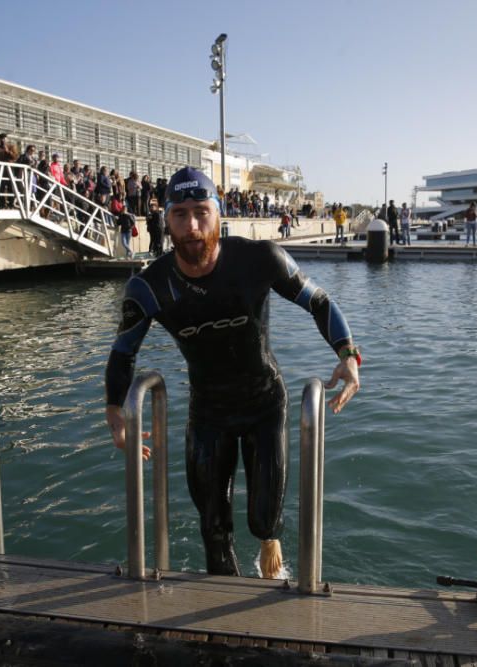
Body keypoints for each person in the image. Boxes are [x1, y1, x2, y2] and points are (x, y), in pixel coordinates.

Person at [104, 167, 360, 579]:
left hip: (264, 404)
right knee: (213, 528)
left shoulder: (258, 260)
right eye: (180, 214)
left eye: (201, 212)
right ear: (166, 220)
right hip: (208, 412)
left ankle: (268, 542)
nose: (192, 226)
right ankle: (225, 620)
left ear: (218, 214)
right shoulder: (149, 287)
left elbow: (319, 302)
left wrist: (348, 355)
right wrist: (115, 412)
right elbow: (122, 353)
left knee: (263, 519)